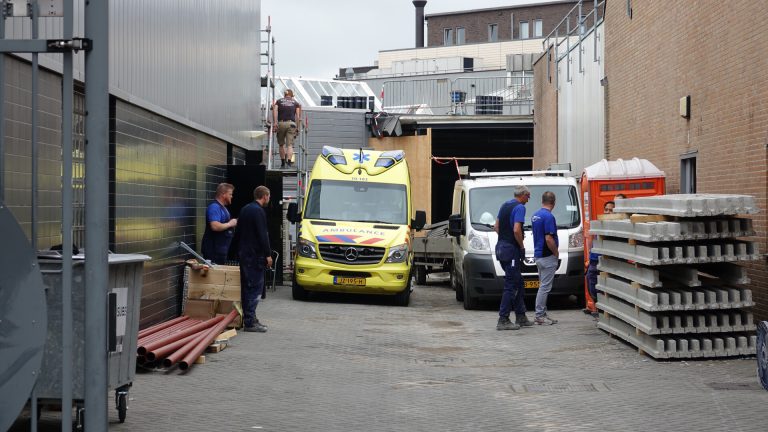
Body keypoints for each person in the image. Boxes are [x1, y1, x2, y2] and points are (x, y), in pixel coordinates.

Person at [495, 185, 534, 330]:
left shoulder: (504, 205)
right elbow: (517, 229)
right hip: (511, 250)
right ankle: (503, 319)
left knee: (519, 282)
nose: (528, 199)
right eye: (528, 196)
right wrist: (521, 246)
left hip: (501, 248)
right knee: (511, 285)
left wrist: (504, 240)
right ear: (522, 195)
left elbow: (496, 226)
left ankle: (521, 316)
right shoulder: (519, 207)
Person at [237, 186, 273, 332]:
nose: (269, 199)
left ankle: (250, 317)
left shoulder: (245, 209)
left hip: (244, 254)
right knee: (255, 288)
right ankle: (250, 322)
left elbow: (238, 231)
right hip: (255, 256)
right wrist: (268, 254)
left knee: (247, 287)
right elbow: (262, 235)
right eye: (269, 196)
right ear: (264, 196)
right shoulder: (259, 211)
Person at [531, 191, 559, 325]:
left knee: (542, 285)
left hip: (538, 255)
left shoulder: (535, 215)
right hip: (547, 256)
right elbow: (549, 238)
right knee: (545, 287)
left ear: (542, 201)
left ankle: (542, 313)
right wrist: (556, 252)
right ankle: (539, 316)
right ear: (553, 202)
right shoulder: (549, 217)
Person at [585, 200, 615, 318]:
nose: (607, 212)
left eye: (610, 210)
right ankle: (599, 306)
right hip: (594, 260)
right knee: (591, 283)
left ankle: (603, 310)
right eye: (606, 209)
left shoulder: (616, 227)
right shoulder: (599, 224)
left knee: (604, 287)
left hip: (605, 262)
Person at [201, 183, 237, 264]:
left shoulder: (223, 208)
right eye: (230, 194)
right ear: (223, 194)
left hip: (220, 251)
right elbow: (215, 226)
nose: (232, 196)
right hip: (213, 252)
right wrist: (230, 224)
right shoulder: (214, 207)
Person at [272, 89, 302, 169]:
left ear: (284, 95)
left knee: (281, 144)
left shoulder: (278, 101)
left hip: (281, 123)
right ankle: (288, 163)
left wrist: (275, 122)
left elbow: (275, 111)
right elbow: (298, 117)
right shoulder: (296, 103)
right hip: (291, 124)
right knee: (290, 145)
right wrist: (297, 127)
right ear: (292, 95)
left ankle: (282, 164)